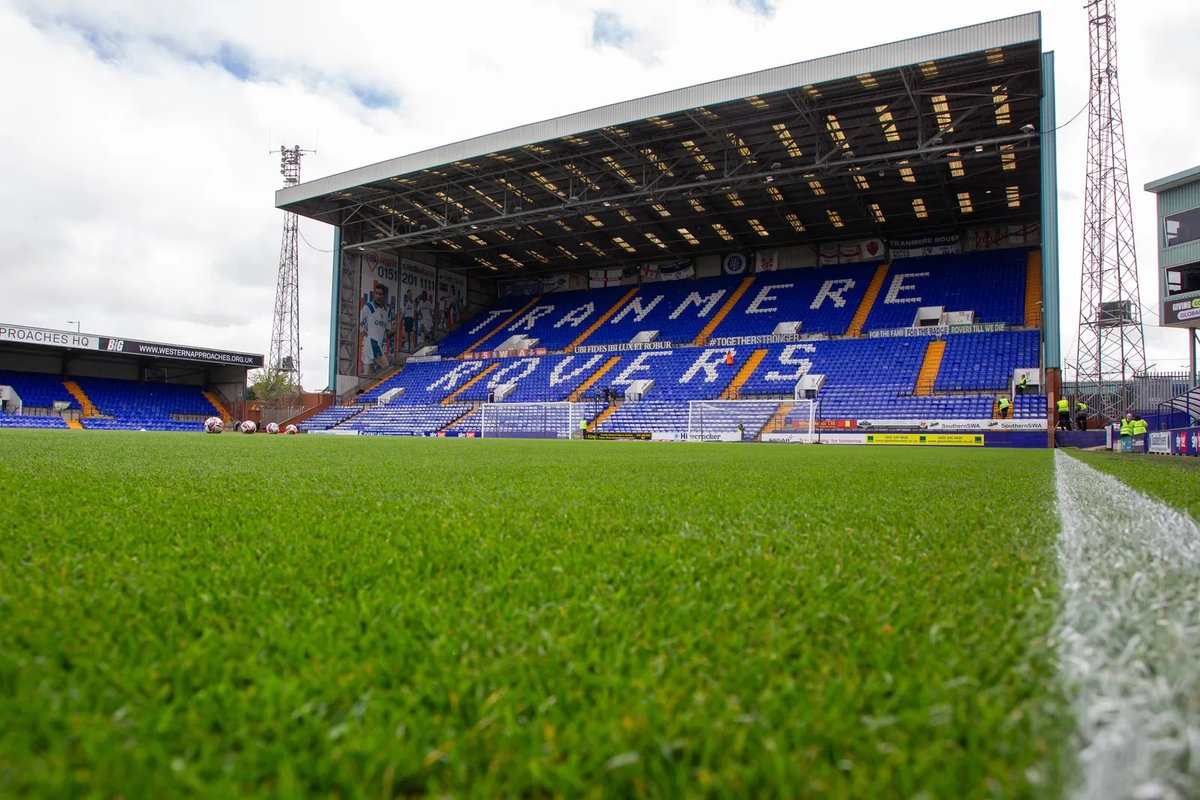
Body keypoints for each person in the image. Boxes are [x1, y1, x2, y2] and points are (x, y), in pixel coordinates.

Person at [360, 282, 392, 375]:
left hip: (376, 346)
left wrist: (394, 331)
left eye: (380, 294)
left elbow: (387, 334)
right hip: (372, 344)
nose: (378, 296)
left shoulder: (385, 312)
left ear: (384, 296)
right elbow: (358, 319)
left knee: (369, 379)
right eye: (376, 293)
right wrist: (362, 329)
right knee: (387, 370)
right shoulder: (369, 307)